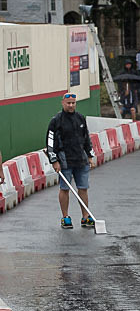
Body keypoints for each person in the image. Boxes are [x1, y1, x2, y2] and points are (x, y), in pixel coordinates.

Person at [46, 93, 96, 229]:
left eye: (73, 103)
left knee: (83, 188)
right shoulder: (56, 121)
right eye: (68, 103)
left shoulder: (80, 118)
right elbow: (50, 143)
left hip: (81, 160)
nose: (71, 105)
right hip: (64, 162)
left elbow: (86, 138)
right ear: (63, 103)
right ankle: (65, 217)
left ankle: (85, 217)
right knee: (65, 189)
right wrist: (54, 161)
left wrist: (90, 156)